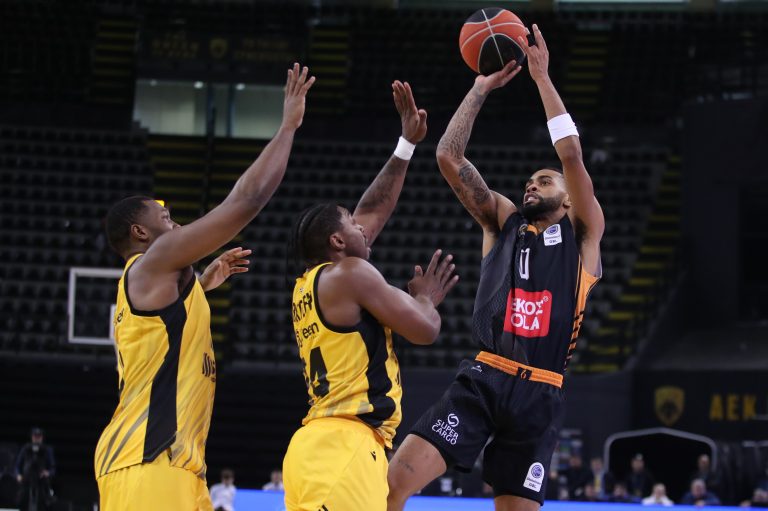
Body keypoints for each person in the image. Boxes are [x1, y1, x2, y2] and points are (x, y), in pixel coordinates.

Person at [387, 24, 604, 511]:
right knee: (393, 484)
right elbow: (448, 156)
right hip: (485, 377)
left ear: (569, 199)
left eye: (543, 180)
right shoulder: (504, 221)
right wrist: (479, 89)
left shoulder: (584, 235)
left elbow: (570, 153)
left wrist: (541, 78)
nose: (531, 185)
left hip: (541, 392)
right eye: (529, 181)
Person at [94, 63, 315, 511]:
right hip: (148, 461)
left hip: (177, 466)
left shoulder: (156, 283)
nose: (172, 219)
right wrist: (287, 127)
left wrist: (201, 285)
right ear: (139, 232)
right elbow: (246, 201)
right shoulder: (152, 261)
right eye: (163, 214)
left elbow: (161, 335)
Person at [283, 80, 458, 511]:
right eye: (349, 223)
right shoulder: (349, 274)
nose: (361, 227)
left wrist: (406, 145)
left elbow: (373, 211)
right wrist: (426, 298)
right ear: (336, 242)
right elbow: (424, 330)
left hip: (320, 447)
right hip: (346, 448)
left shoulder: (313, 284)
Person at [15, 428, 55, 511]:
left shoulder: (47, 449)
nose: (37, 438)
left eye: (39, 436)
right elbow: (17, 465)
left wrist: (47, 473)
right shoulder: (25, 448)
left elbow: (53, 468)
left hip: (41, 481)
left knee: (47, 501)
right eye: (35, 436)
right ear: (32, 437)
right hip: (26, 480)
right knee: (21, 500)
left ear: (42, 437)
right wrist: (18, 475)